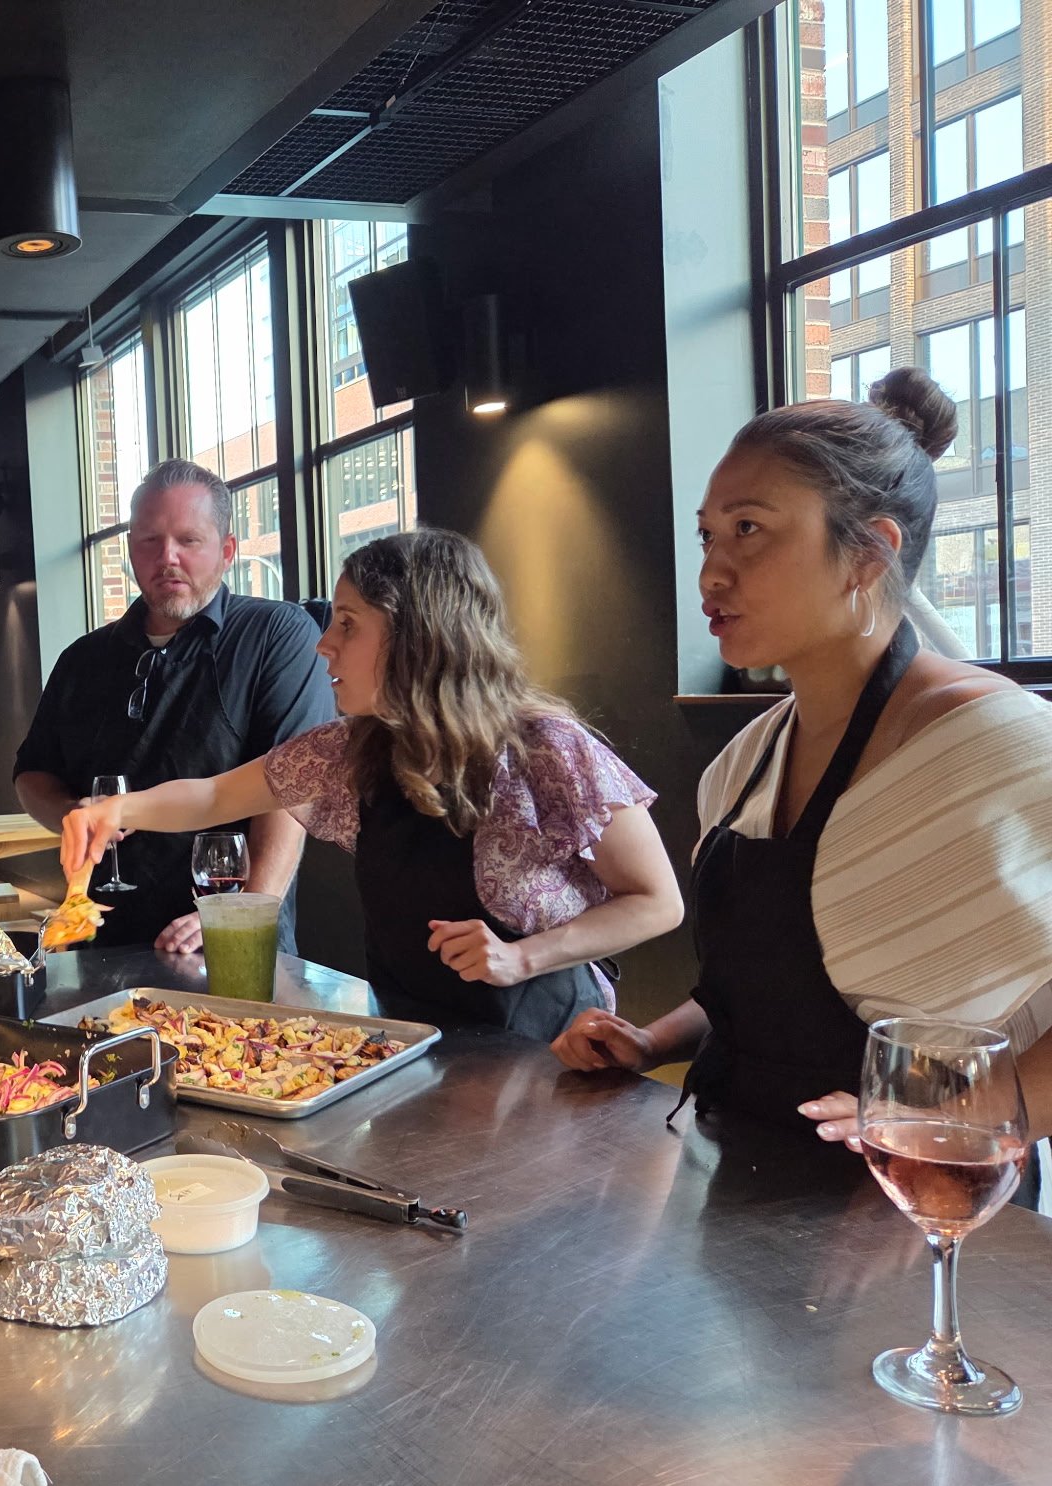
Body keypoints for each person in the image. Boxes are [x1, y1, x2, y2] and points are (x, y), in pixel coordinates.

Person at [552, 370, 1052, 1138]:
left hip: (924, 1209)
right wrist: (651, 1041)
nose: (711, 572)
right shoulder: (745, 763)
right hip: (749, 1190)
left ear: (868, 555)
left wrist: (955, 1122)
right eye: (708, 535)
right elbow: (761, 992)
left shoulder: (997, 742)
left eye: (749, 529)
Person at [64, 529, 685, 1041]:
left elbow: (658, 901)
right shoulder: (353, 748)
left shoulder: (546, 747)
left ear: (418, 635)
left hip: (551, 1049)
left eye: (348, 625)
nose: (323, 646)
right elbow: (217, 796)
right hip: (416, 1041)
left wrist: (524, 956)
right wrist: (118, 809)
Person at [15, 459, 333, 953]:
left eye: (188, 540)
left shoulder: (277, 634)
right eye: (150, 541)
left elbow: (289, 789)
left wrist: (244, 915)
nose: (168, 557)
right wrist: (73, 815)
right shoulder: (82, 659)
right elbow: (32, 773)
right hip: (100, 934)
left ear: (226, 551)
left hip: (224, 934)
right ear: (131, 551)